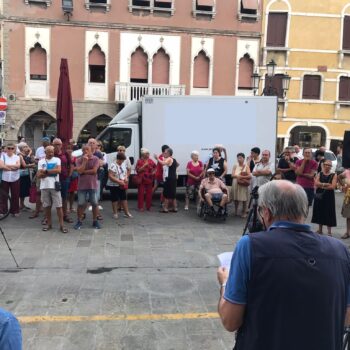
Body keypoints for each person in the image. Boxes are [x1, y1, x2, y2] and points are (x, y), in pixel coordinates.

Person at [217, 180, 350, 350]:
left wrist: (225, 282)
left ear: (266, 212)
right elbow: (347, 316)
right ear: (305, 210)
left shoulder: (250, 245)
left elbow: (230, 321)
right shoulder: (339, 250)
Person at [37, 145, 67, 233]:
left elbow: (58, 171)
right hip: (44, 186)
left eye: (52, 152)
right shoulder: (41, 161)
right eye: (49, 152)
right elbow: (39, 175)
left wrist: (45, 171)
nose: (51, 153)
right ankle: (49, 224)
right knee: (47, 206)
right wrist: (51, 171)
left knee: (59, 206)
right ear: (45, 152)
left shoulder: (57, 160)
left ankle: (62, 225)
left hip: (54, 186)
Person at [74, 144, 101, 230]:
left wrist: (83, 171)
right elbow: (79, 171)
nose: (85, 151)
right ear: (82, 151)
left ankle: (95, 220)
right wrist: (84, 162)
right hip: (82, 186)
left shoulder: (96, 159)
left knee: (94, 203)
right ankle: (79, 221)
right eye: (84, 150)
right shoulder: (78, 160)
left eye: (87, 150)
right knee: (81, 203)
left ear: (91, 150)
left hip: (92, 185)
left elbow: (94, 171)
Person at [311, 160, 337, 236]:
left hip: (329, 196)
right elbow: (316, 183)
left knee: (329, 212)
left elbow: (332, 186)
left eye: (329, 165)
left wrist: (321, 185)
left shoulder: (333, 175)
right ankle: (320, 229)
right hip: (320, 195)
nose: (328, 166)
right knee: (319, 210)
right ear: (323, 165)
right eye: (326, 165)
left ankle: (329, 232)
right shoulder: (320, 173)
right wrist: (325, 184)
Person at [52, 138, 73, 224]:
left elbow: (71, 164)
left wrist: (69, 174)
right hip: (53, 179)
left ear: (61, 145)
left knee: (64, 197)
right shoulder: (50, 153)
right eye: (55, 144)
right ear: (52, 145)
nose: (57, 146)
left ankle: (65, 215)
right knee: (51, 198)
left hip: (64, 179)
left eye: (59, 144)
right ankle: (47, 217)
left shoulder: (65, 154)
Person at [107, 152, 133, 219]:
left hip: (122, 183)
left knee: (124, 198)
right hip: (114, 185)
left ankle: (126, 212)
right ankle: (115, 213)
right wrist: (119, 181)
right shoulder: (113, 165)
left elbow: (125, 172)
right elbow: (110, 176)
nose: (122, 162)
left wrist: (126, 178)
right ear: (118, 159)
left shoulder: (123, 164)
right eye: (122, 160)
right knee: (114, 199)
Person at [0, 143, 21, 217]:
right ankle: (3, 210)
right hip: (5, 178)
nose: (10, 150)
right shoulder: (3, 156)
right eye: (8, 148)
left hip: (15, 178)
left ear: (14, 149)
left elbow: (18, 166)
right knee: (3, 195)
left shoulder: (17, 157)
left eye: (12, 148)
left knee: (15, 195)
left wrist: (7, 166)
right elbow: (1, 166)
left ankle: (14, 211)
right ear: (6, 148)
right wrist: (12, 168)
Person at [155, 148, 178, 213]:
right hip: (173, 178)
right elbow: (177, 165)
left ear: (168, 153)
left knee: (166, 194)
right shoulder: (173, 159)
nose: (163, 154)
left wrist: (157, 158)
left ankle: (165, 208)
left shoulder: (169, 159)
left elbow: (163, 163)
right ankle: (175, 208)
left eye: (165, 153)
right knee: (173, 194)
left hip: (169, 178)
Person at [87, 138, 104, 217]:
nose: (91, 144)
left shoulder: (98, 153)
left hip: (96, 177)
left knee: (96, 196)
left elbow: (102, 163)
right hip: (86, 178)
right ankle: (83, 213)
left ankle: (97, 214)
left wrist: (94, 165)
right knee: (85, 196)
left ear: (96, 145)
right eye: (90, 143)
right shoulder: (85, 152)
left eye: (93, 143)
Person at [231, 153, 251, 217]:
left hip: (243, 184)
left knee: (244, 198)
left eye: (240, 158)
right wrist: (238, 176)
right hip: (235, 183)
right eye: (238, 158)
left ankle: (244, 212)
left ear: (243, 158)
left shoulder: (246, 166)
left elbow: (249, 176)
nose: (239, 159)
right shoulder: (235, 165)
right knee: (236, 198)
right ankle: (236, 211)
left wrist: (241, 177)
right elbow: (232, 175)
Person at [18, 142, 35, 211]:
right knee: (22, 190)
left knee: (25, 190)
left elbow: (30, 160)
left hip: (26, 174)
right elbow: (24, 165)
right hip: (21, 175)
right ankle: (21, 205)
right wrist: (32, 165)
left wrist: (30, 153)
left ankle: (22, 204)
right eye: (25, 147)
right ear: (22, 148)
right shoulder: (20, 155)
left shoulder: (25, 155)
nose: (27, 148)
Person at [339, 168, 350, 239]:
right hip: (348, 196)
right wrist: (342, 186)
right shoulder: (347, 171)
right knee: (348, 216)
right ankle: (347, 232)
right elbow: (339, 177)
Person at [67, 144, 78, 213]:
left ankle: (71, 207)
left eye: (70, 149)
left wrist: (72, 168)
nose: (69, 150)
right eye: (68, 148)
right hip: (66, 176)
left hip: (73, 177)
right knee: (66, 193)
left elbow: (78, 167)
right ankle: (66, 207)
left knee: (72, 193)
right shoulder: (64, 157)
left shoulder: (74, 158)